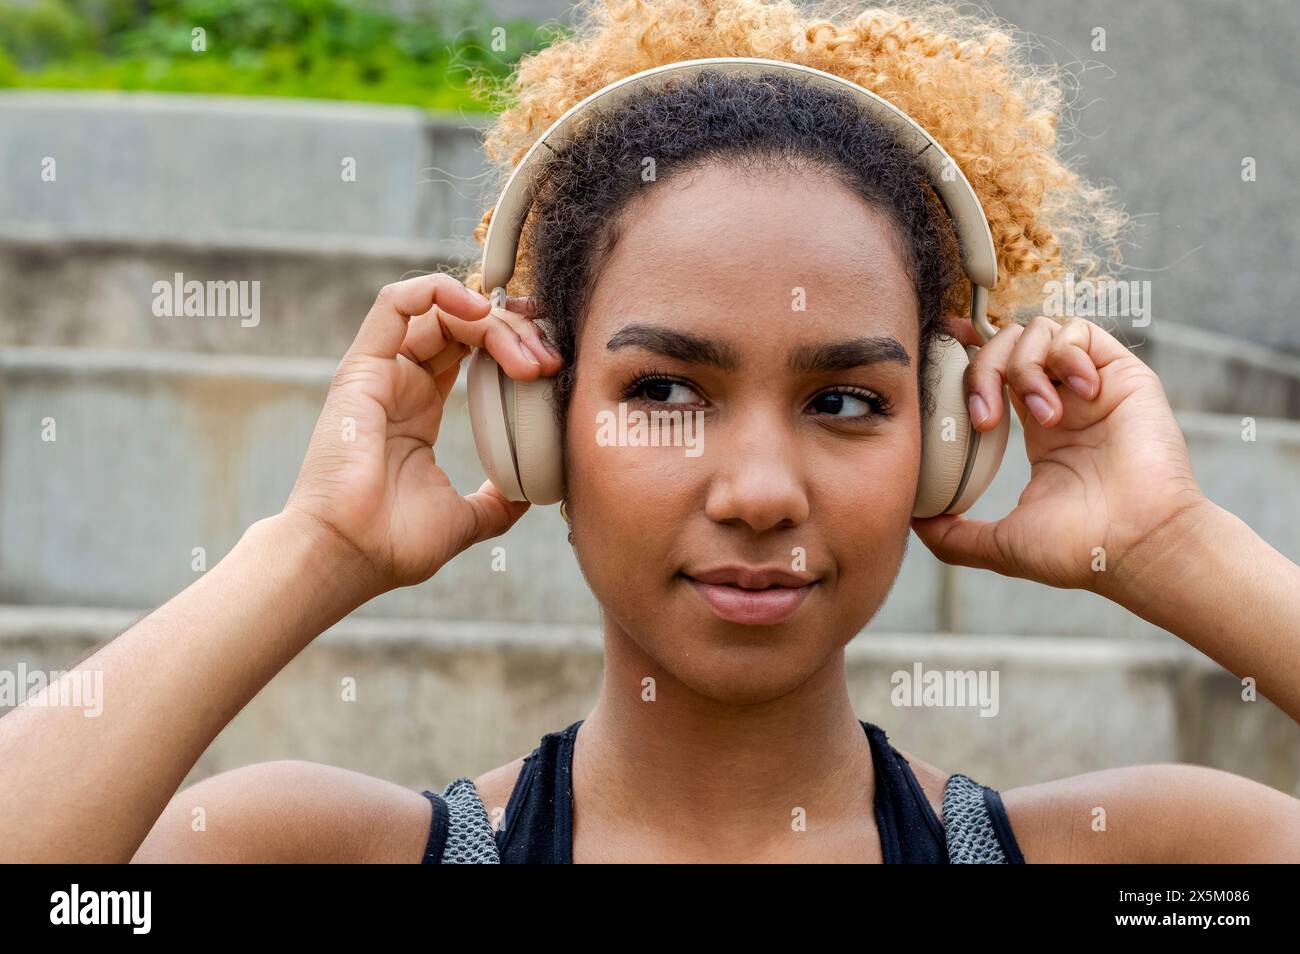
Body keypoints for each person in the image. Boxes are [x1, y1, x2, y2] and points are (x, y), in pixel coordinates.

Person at [4, 0, 1300, 863]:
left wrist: (1176, 546)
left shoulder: (1150, 852)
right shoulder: (322, 849)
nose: (757, 488)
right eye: (666, 391)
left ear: (948, 439)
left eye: (845, 400)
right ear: (533, 417)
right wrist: (312, 548)